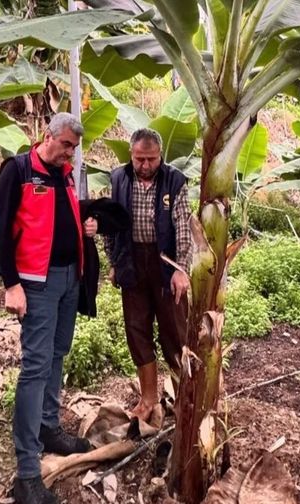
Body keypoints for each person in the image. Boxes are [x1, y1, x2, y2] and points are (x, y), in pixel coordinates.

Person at [0, 113, 97, 504]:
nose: (69, 152)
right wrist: (11, 285)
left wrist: (85, 226)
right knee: (35, 365)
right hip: (36, 284)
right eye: (65, 144)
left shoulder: (65, 174)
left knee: (57, 354)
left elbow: (60, 218)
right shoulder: (18, 170)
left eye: (73, 147)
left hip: (70, 278)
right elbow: (0, 231)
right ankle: (27, 470)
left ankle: (48, 426)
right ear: (47, 135)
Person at [105, 128, 191, 421]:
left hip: (165, 264)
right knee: (136, 330)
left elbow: (182, 228)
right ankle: (149, 398)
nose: (145, 166)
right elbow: (111, 223)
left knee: (175, 331)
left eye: (151, 160)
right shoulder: (118, 179)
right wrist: (114, 261)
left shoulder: (175, 181)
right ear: (131, 155)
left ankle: (186, 399)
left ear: (160, 156)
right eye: (140, 159)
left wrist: (181, 270)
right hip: (132, 262)